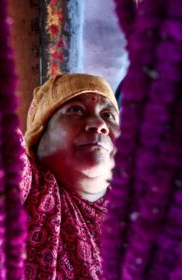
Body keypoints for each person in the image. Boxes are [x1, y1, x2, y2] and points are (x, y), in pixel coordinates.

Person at [20, 73, 120, 279]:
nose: (98, 124)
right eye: (75, 110)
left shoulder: (141, 217)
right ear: (39, 137)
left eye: (108, 115)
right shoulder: (29, 187)